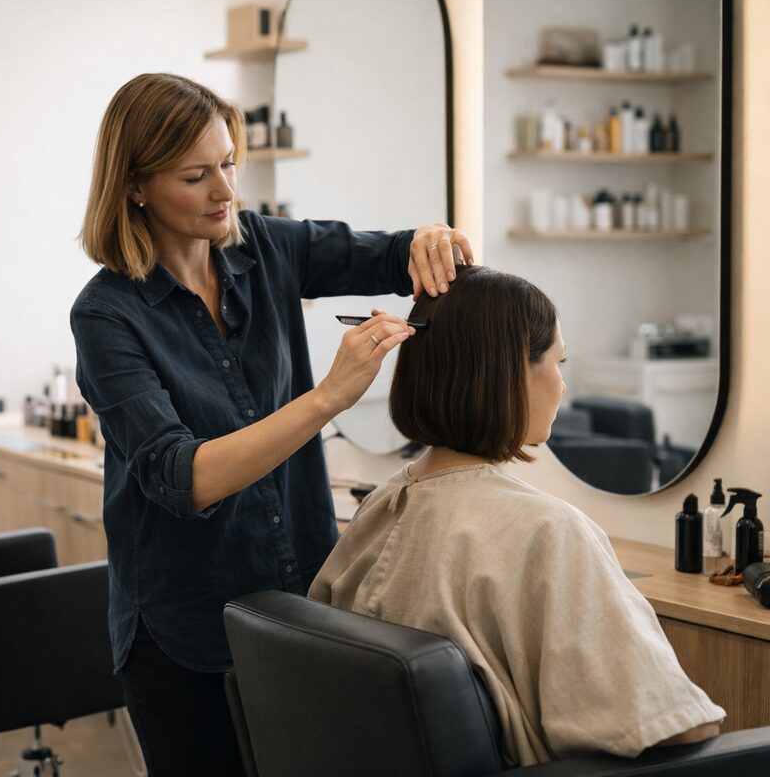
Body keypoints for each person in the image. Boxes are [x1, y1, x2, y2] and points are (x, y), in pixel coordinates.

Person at [69, 72, 474, 776]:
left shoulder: (268, 248)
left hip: (302, 605)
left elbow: (389, 252)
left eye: (229, 163)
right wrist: (328, 398)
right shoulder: (107, 315)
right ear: (135, 186)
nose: (225, 191)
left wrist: (429, 241)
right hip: (183, 629)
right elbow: (180, 479)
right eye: (196, 176)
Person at [309, 265, 724, 767]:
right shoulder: (549, 533)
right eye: (558, 361)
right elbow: (674, 726)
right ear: (510, 374)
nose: (563, 386)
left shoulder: (381, 506)